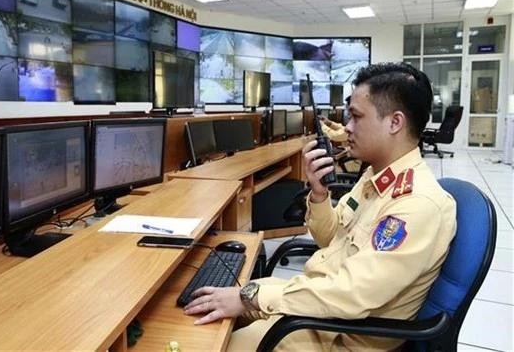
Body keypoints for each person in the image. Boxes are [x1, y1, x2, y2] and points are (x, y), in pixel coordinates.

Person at [183, 63, 457, 351]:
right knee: (206, 309)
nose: (347, 127)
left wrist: (250, 297)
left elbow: (352, 294)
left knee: (208, 341)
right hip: (318, 305)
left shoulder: (416, 205)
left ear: (394, 122)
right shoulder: (377, 176)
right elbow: (331, 238)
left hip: (335, 335)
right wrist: (318, 193)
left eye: (356, 116)